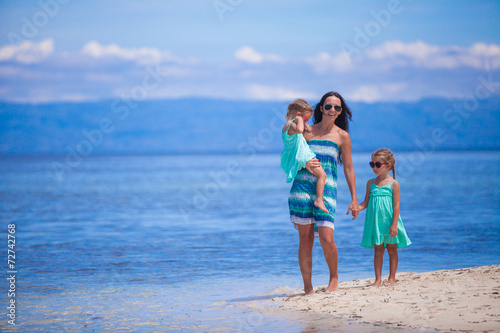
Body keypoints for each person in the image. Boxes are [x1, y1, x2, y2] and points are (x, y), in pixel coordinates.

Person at [288, 91, 359, 295]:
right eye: (328, 106)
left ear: (341, 111)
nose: (332, 110)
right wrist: (304, 161)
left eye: (337, 107)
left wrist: (354, 199)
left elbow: (348, 168)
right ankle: (308, 287)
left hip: (326, 191)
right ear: (321, 108)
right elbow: (290, 153)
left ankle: (334, 278)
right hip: (301, 188)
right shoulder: (306, 130)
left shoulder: (342, 136)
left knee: (327, 237)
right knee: (306, 239)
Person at [358, 148, 412, 287]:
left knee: (392, 249)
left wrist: (394, 225)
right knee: (378, 250)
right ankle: (377, 280)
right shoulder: (371, 183)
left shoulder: (394, 184)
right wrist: (357, 208)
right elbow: (366, 202)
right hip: (375, 223)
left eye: (378, 164)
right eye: (372, 164)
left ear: (388, 165)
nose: (374, 168)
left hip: (389, 222)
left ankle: (392, 278)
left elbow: (396, 206)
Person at [281, 99, 328, 213]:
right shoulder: (292, 124)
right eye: (306, 119)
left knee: (320, 175)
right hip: (304, 156)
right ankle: (319, 200)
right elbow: (300, 130)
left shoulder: (288, 125)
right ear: (298, 115)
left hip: (299, 156)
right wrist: (300, 120)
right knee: (322, 175)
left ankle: (318, 199)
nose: (306, 122)